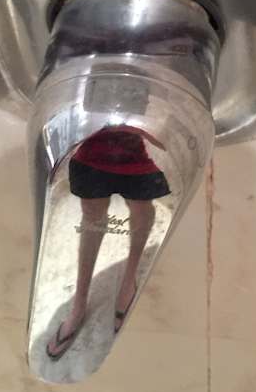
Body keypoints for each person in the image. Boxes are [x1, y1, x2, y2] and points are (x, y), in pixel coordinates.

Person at [46, 125, 170, 360]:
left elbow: (163, 138)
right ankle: (79, 303)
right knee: (93, 216)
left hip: (134, 150)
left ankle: (129, 279)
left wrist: (144, 128)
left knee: (142, 208)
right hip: (92, 148)